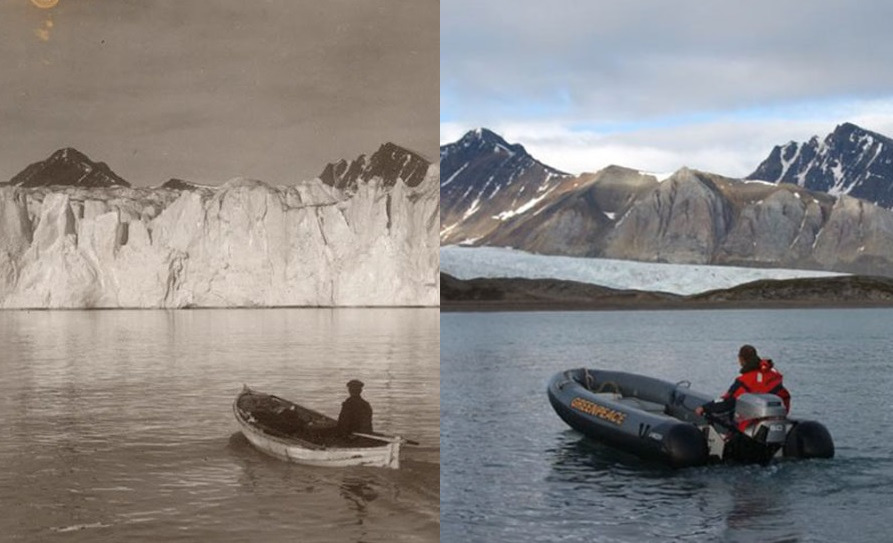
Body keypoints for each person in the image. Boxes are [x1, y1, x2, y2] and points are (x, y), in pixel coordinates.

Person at [694, 344, 791, 430]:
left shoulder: (744, 381)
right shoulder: (773, 375)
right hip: (776, 421)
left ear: (741, 359)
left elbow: (727, 401)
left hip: (752, 426)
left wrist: (705, 407)